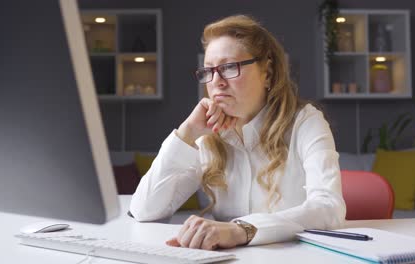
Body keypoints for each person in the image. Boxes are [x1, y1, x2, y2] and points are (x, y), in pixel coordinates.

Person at [130, 14, 346, 250]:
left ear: (268, 73)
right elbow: (144, 211)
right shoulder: (206, 136)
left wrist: (241, 229)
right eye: (209, 70)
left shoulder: (306, 122)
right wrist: (187, 133)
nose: (217, 82)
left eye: (229, 67)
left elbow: (329, 207)